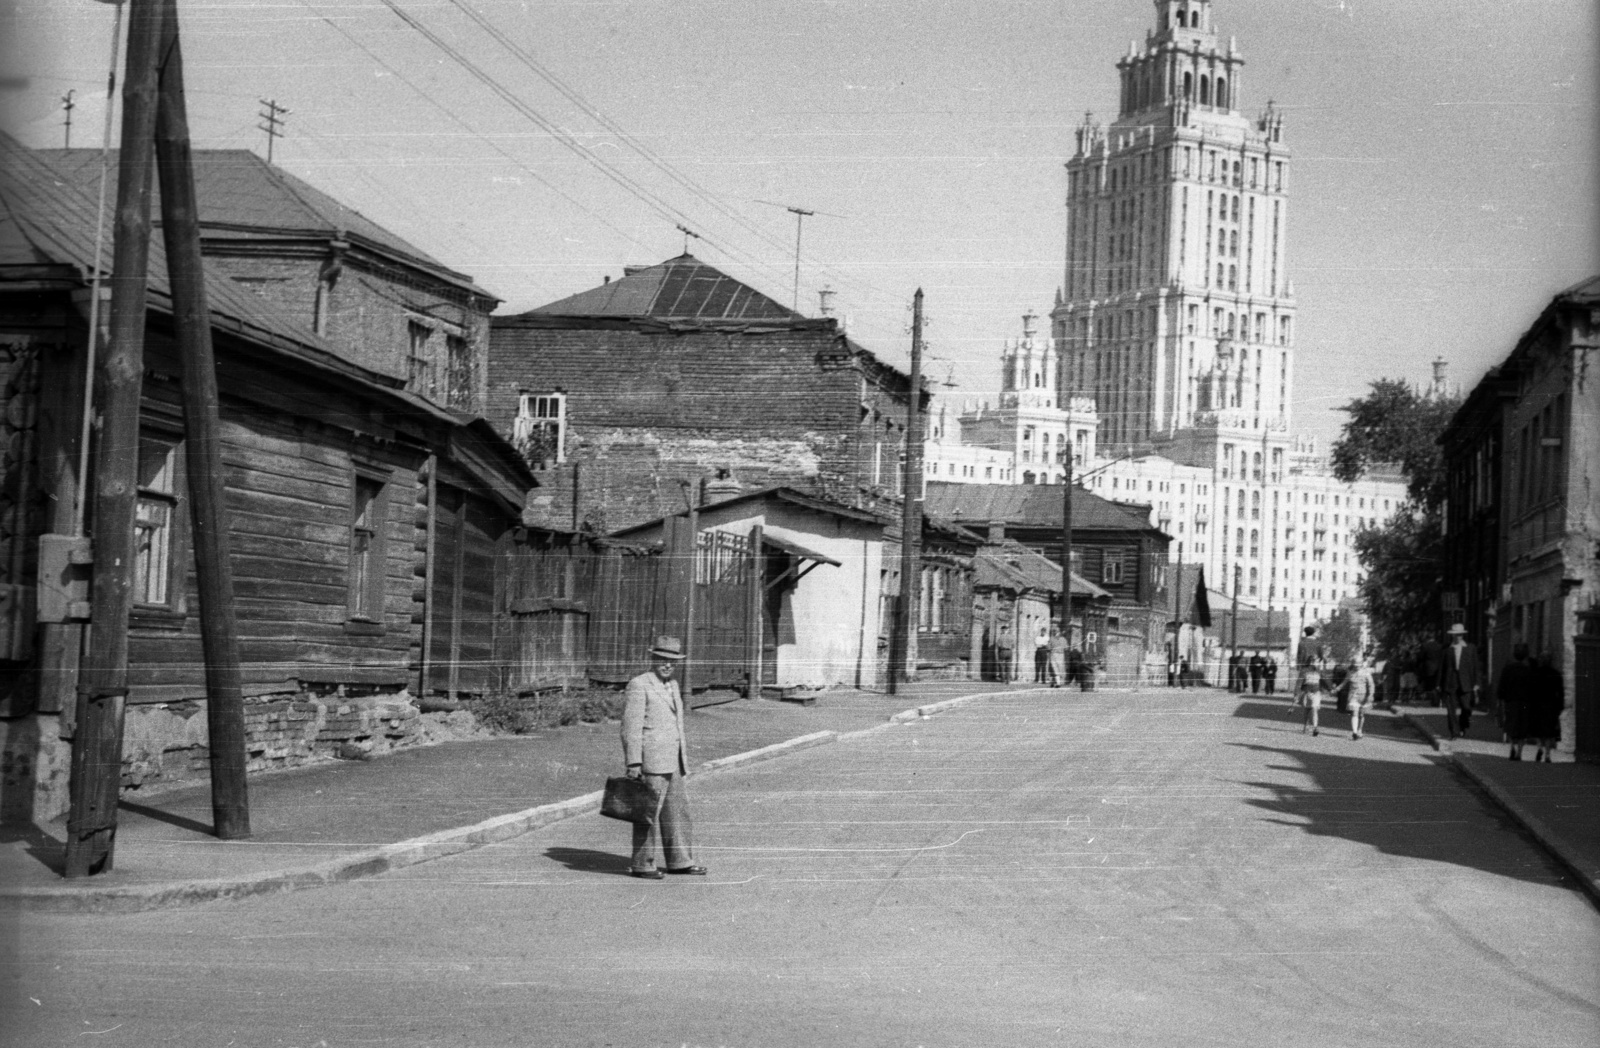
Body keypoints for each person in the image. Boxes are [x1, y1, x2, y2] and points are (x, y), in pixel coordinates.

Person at [620, 635, 707, 880]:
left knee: (677, 812)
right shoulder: (639, 684)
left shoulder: (674, 685)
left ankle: (680, 862)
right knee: (647, 814)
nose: (668, 665)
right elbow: (630, 727)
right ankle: (643, 865)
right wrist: (634, 762)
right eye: (662, 660)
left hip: (674, 760)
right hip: (651, 761)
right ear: (653, 658)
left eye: (673, 661)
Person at [1438, 623, 1481, 740]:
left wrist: (1477, 683)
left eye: (1460, 635)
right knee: (1451, 709)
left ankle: (1462, 725)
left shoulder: (1470, 648)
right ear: (1452, 635)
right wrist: (1438, 684)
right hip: (1450, 681)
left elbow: (1476, 667)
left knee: (1466, 707)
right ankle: (1454, 732)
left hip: (1466, 682)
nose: (1458, 637)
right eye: (1456, 635)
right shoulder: (1447, 649)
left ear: (1463, 635)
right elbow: (1442, 667)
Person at [1496, 643, 1535, 760]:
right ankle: (1519, 752)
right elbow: (1532, 688)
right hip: (1525, 702)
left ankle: (1512, 746)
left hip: (1511, 701)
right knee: (1522, 727)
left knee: (1511, 725)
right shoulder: (1528, 670)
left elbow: (1502, 686)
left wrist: (1501, 698)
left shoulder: (1508, 669)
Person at [1528, 650, 1565, 762]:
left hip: (1537, 704)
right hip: (1551, 705)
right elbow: (1560, 692)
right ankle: (1547, 754)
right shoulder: (1556, 674)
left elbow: (1531, 691)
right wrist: (1560, 706)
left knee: (1538, 729)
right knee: (1549, 731)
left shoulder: (1535, 673)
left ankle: (1540, 747)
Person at [1297, 627, 1325, 736]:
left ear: (1305, 633)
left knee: (1307, 705)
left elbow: (1299, 657)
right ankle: (1311, 726)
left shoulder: (1301, 643)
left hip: (1305, 670)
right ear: (1314, 633)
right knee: (1312, 705)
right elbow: (1322, 656)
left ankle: (1307, 726)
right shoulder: (1318, 643)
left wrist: (1300, 667)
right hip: (1315, 669)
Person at [1345, 653, 1376, 739]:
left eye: (1357, 665)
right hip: (1353, 695)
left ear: (1361, 664)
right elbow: (1344, 682)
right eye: (1355, 665)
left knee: (1361, 715)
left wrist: (1371, 695)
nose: (1356, 667)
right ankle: (1354, 732)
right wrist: (1336, 689)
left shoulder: (1366, 672)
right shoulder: (1350, 672)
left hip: (1363, 696)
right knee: (1354, 713)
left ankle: (1359, 729)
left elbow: (1371, 684)